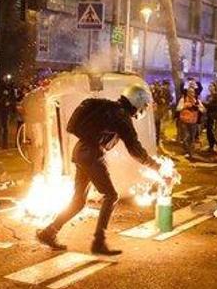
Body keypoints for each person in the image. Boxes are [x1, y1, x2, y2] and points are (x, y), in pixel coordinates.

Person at [37, 85, 162, 255]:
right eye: (144, 104)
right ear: (137, 101)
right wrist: (155, 166)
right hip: (91, 155)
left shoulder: (110, 108)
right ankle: (99, 242)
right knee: (111, 195)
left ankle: (49, 232)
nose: (144, 108)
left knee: (78, 201)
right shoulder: (122, 117)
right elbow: (135, 149)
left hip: (81, 151)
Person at [176, 88, 205, 158]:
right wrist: (184, 106)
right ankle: (186, 151)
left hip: (193, 122)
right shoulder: (183, 100)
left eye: (193, 92)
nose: (191, 94)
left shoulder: (197, 101)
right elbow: (178, 108)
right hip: (184, 121)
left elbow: (203, 110)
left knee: (192, 138)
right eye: (190, 92)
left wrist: (198, 107)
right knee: (186, 136)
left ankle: (191, 152)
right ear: (187, 93)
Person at [0, 75, 17, 149]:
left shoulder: (11, 89)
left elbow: (13, 99)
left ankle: (5, 143)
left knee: (5, 127)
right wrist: (1, 97)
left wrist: (9, 103)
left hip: (6, 110)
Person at [204, 82, 217, 152]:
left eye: (211, 86)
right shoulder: (208, 96)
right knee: (208, 131)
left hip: (213, 115)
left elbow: (216, 106)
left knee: (211, 131)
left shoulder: (216, 95)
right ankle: (211, 145)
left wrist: (206, 104)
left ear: (214, 87)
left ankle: (215, 144)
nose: (210, 87)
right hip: (208, 114)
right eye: (209, 86)